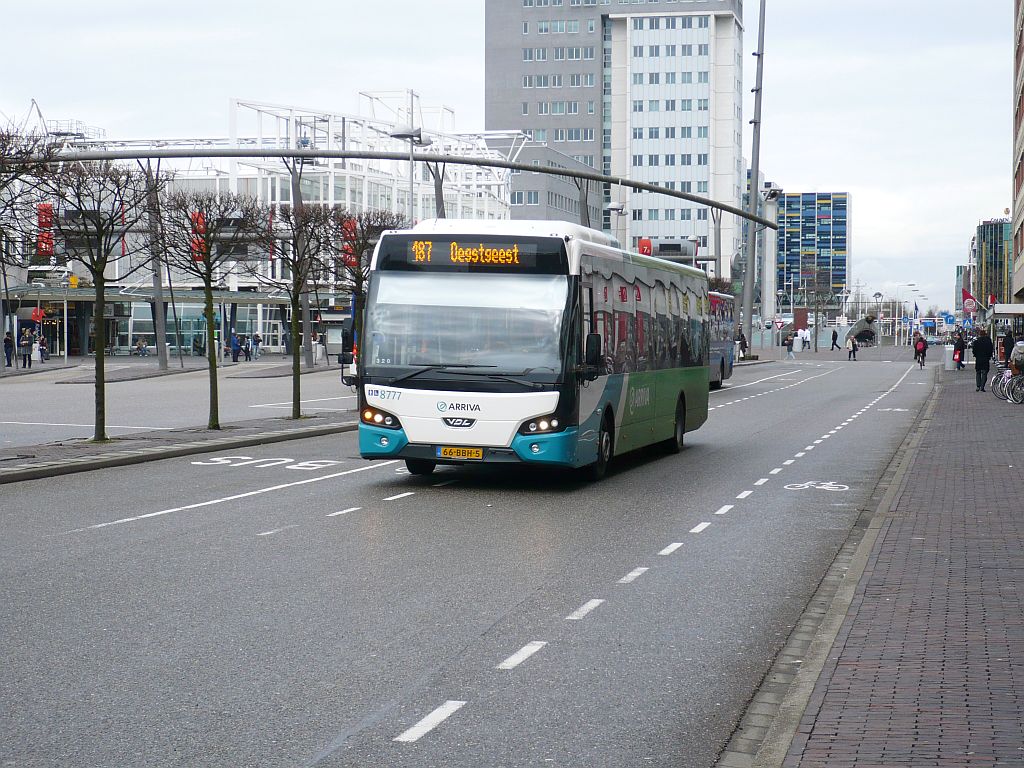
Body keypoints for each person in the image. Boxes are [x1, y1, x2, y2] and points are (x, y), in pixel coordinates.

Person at [970, 327, 994, 392]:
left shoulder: (976, 342)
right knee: (984, 373)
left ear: (980, 334)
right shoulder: (988, 342)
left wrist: (976, 355)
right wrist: (989, 356)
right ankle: (982, 387)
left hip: (978, 359)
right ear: (985, 334)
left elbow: (974, 350)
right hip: (985, 359)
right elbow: (991, 350)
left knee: (978, 372)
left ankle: (978, 386)